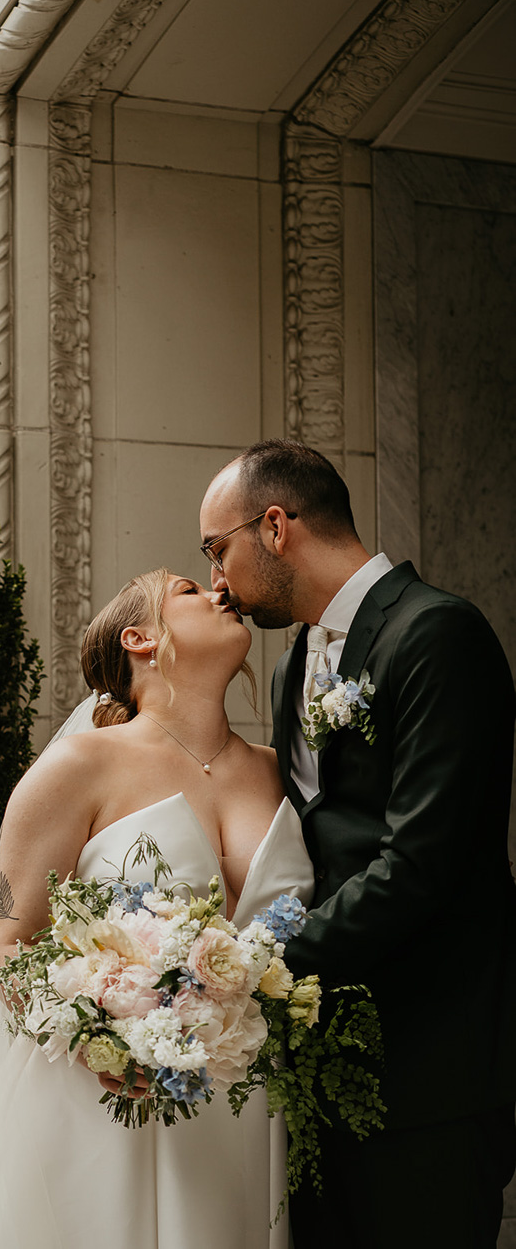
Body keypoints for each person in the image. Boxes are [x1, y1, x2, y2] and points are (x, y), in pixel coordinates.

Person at [199, 438, 516, 1249]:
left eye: (216, 549)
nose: (215, 583)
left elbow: (420, 862)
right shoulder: (291, 664)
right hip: (319, 1068)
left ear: (275, 526)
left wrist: (261, 966)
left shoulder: (437, 633)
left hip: (429, 1062)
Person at [0, 567, 313, 1249]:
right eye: (189, 590)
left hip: (244, 1101)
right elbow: (8, 943)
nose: (219, 590)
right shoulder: (78, 766)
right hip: (108, 1104)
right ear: (140, 637)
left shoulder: (274, 767)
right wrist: (104, 1046)